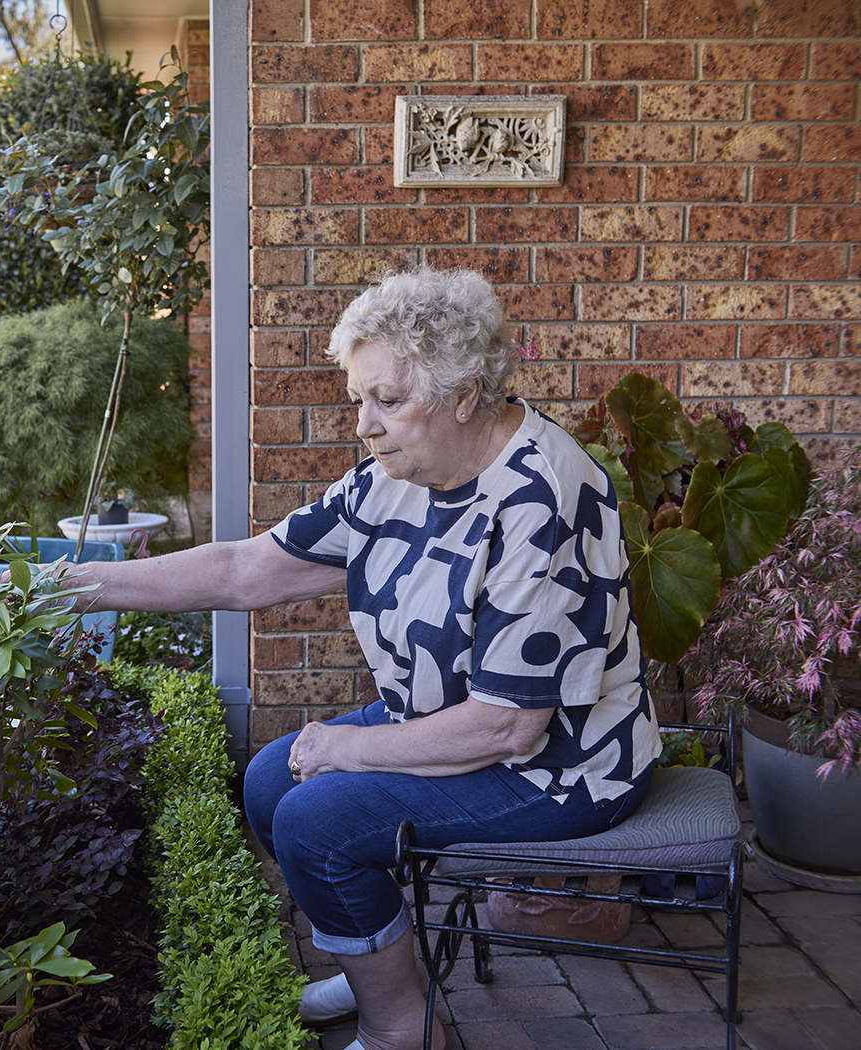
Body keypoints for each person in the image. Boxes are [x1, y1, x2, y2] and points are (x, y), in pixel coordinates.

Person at [35, 267, 661, 1050]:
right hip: (453, 724)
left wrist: (349, 748)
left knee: (317, 822)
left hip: (563, 765)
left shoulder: (541, 497)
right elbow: (245, 570)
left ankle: (401, 1028)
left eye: (387, 400)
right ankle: (381, 965)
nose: (364, 425)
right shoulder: (397, 478)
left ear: (464, 394)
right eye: (358, 399)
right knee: (270, 782)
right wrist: (74, 585)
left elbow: (508, 726)